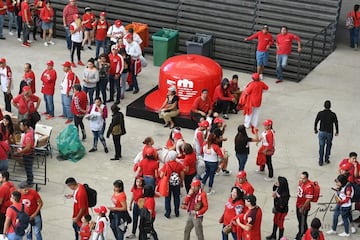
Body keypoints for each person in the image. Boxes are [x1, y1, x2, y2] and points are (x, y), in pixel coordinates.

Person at [160, 150, 184, 218]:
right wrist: (181, 182)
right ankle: (177, 212)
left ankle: (168, 213)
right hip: (176, 183)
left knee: (167, 198)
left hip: (168, 184)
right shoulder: (179, 165)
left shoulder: (166, 165)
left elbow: (161, 175)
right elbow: (182, 174)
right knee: (177, 197)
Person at [314, 100, 339, 166]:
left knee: (321, 146)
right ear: (330, 106)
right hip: (329, 133)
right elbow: (336, 123)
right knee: (328, 146)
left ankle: (320, 161)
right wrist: (337, 131)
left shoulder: (320, 113)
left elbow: (316, 121)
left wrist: (315, 129)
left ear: (324, 106)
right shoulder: (333, 114)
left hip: (322, 132)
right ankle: (326, 159)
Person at [295, 171, 314, 240]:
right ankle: (306, 232)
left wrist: (303, 208)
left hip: (303, 207)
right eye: (300, 178)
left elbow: (308, 199)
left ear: (306, 178)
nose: (301, 180)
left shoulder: (309, 186)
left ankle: (300, 235)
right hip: (298, 204)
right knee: (300, 221)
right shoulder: (301, 183)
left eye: (303, 178)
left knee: (302, 222)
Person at [15, 119, 35, 186]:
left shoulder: (28, 136)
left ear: (26, 126)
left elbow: (28, 147)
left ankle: (29, 182)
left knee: (28, 168)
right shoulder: (31, 129)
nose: (20, 127)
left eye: (21, 125)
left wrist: (20, 152)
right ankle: (29, 180)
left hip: (28, 154)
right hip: (30, 153)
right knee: (28, 168)